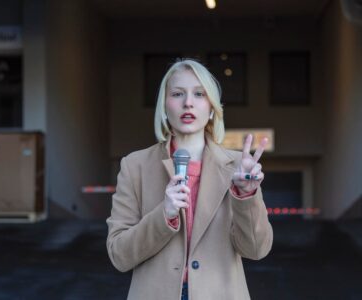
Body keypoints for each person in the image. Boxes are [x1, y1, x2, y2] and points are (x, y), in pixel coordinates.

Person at [106, 59, 273, 300]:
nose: (188, 103)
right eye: (177, 94)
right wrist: (164, 214)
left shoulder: (237, 168)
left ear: (212, 107)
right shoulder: (135, 166)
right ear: (164, 105)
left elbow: (256, 250)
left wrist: (245, 196)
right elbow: (119, 255)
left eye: (199, 94)